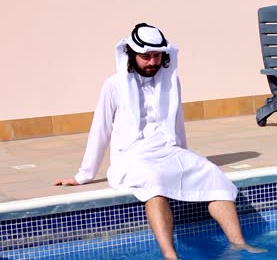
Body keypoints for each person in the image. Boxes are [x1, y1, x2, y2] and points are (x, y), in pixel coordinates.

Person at [55, 23, 265, 259]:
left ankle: (238, 243)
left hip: (168, 150)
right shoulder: (113, 85)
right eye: (146, 57)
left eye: (157, 56)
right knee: (154, 183)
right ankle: (170, 255)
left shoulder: (170, 81)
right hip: (132, 156)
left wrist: (186, 158)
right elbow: (100, 129)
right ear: (131, 54)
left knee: (211, 172)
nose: (153, 62)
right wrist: (83, 175)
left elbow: (177, 123)